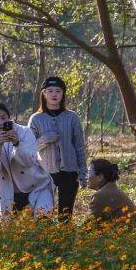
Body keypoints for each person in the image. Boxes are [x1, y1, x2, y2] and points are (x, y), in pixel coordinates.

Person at [0, 102, 54, 220]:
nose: (0, 122)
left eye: (3, 118)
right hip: (8, 191)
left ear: (9, 118)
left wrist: (17, 143)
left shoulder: (24, 132)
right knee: (7, 228)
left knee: (42, 220)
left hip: (36, 186)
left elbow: (29, 161)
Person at [29, 76, 87, 218]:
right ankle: (45, 240)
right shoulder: (36, 119)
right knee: (44, 214)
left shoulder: (72, 117)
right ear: (44, 93)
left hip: (69, 172)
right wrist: (44, 140)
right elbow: (28, 148)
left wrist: (83, 172)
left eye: (58, 91)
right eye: (50, 91)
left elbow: (80, 147)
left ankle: (66, 240)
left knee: (65, 215)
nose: (54, 94)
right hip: (46, 173)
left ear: (63, 94)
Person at [86, 158, 136, 223]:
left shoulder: (100, 195)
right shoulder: (111, 189)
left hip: (129, 232)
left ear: (100, 177)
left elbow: (88, 224)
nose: (86, 177)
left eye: (88, 172)